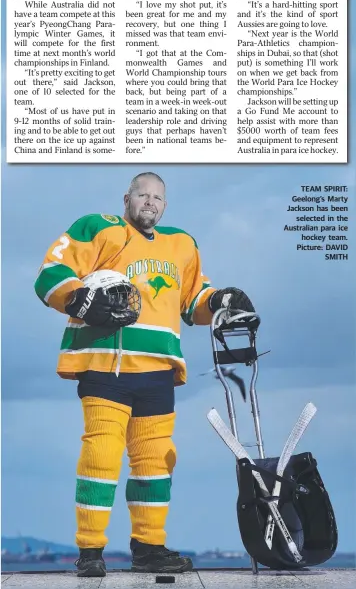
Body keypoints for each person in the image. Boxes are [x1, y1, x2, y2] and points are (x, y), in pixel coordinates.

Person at [35, 172, 255, 577]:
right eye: (142, 195)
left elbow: (194, 304)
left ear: (165, 205)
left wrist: (222, 299)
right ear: (127, 198)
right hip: (106, 366)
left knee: (156, 462)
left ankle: (149, 547)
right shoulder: (97, 228)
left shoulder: (183, 244)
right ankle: (91, 551)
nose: (149, 202)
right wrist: (79, 301)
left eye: (157, 197)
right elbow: (50, 273)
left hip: (158, 372)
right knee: (101, 456)